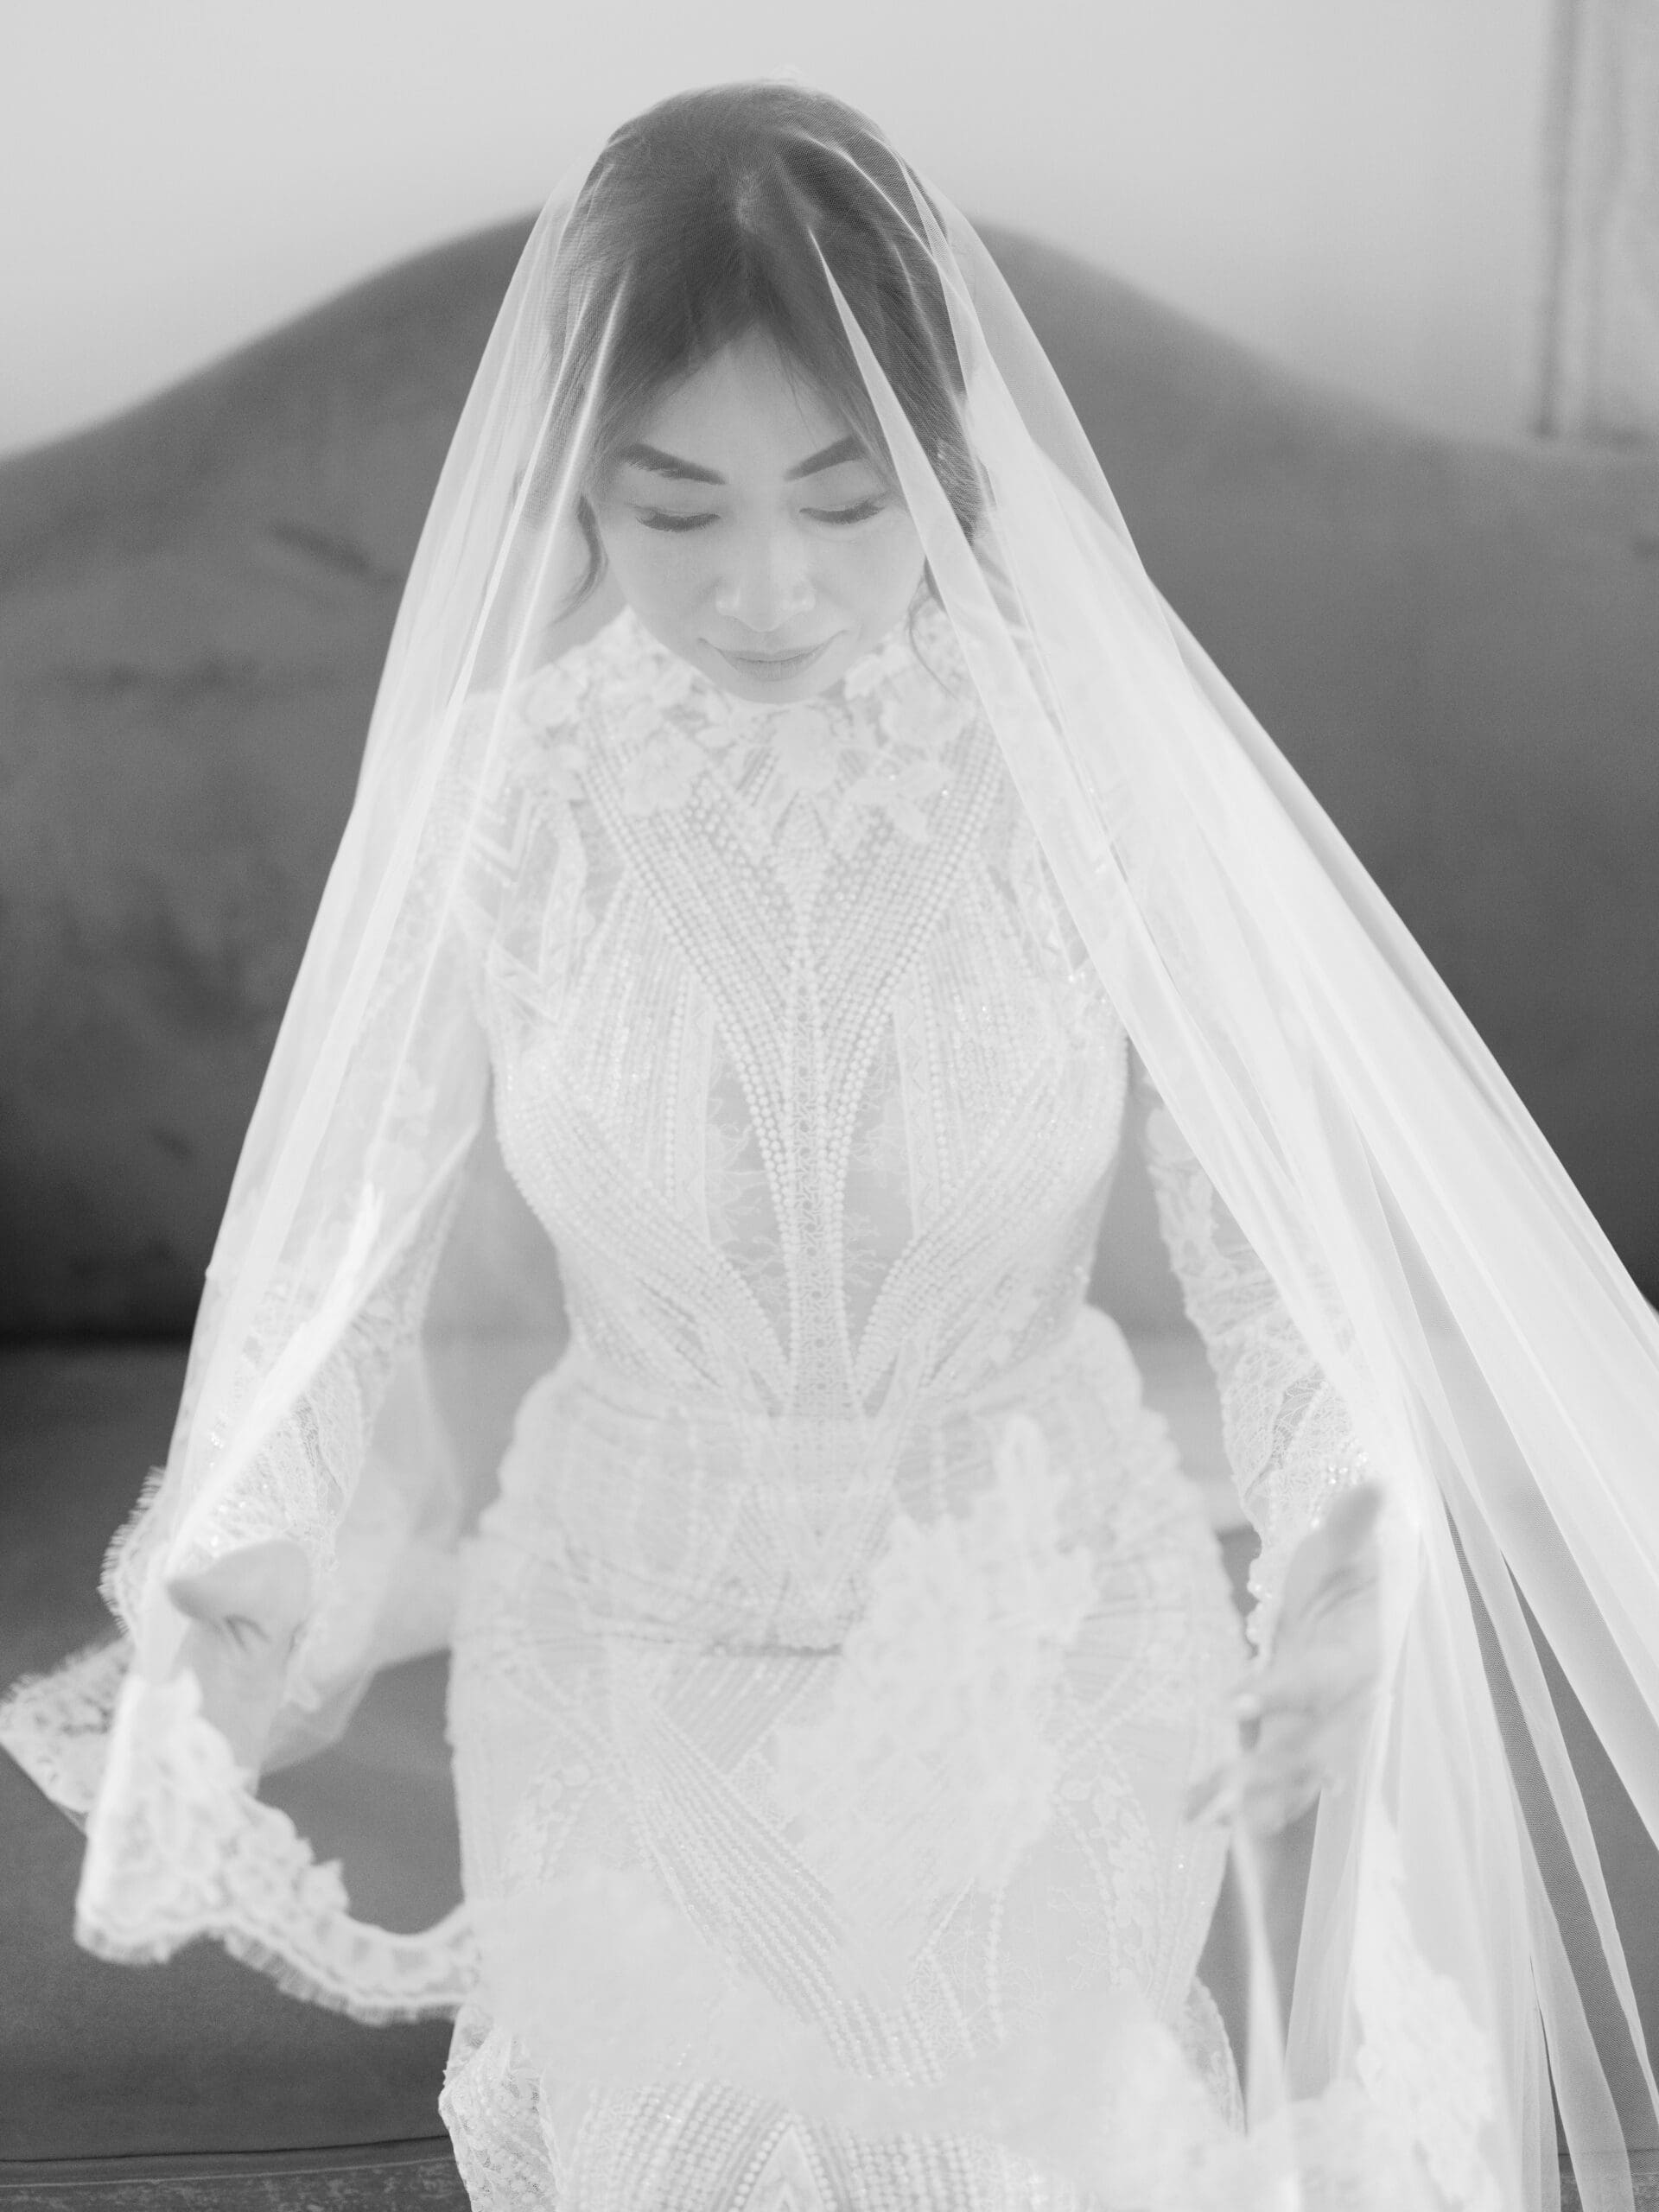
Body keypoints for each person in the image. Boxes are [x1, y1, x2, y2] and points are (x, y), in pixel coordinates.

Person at [5, 79, 1659, 2211]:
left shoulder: (1077, 769)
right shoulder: (508, 797)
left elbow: (1269, 1225)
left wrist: (1348, 1532)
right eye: (676, 508)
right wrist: (241, 1558)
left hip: (1032, 1604)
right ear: (573, 485)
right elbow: (344, 1229)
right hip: (630, 1618)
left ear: (948, 469)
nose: (766, 583)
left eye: (843, 496)